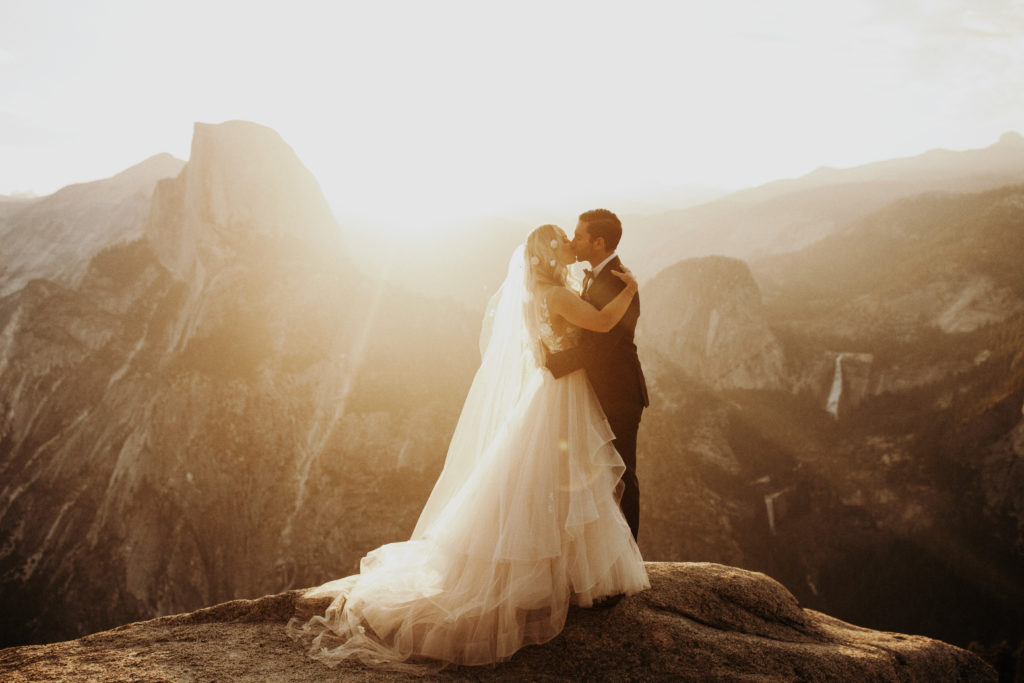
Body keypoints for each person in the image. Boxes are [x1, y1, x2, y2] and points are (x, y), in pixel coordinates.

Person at [288, 224, 649, 671]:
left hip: (556, 389)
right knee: (564, 480)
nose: (570, 246)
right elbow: (597, 323)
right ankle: (566, 577)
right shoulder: (557, 295)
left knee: (550, 480)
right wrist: (630, 290)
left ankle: (562, 573)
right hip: (564, 392)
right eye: (563, 243)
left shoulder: (541, 291)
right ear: (550, 257)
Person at [545, 209, 649, 542]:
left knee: (621, 475)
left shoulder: (619, 281)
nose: (573, 241)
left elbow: (600, 347)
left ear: (599, 242)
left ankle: (627, 557)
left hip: (619, 394)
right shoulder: (591, 276)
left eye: (579, 236)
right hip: (593, 390)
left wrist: (552, 364)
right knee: (595, 475)